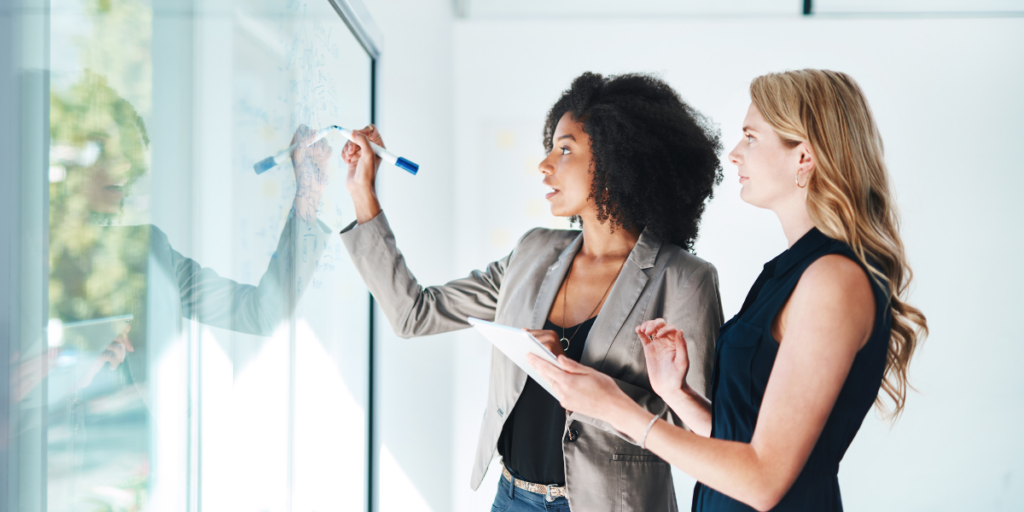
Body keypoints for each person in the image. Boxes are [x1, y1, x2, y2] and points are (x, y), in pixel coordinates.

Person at [529, 69, 929, 512]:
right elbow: (744, 438)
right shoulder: (790, 272)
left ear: (804, 158)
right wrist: (676, 394)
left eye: (751, 138)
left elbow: (762, 480)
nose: (734, 155)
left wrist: (616, 408)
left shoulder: (832, 281)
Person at [338, 72, 724, 511]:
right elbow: (414, 313)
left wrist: (588, 383)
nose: (544, 165)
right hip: (511, 498)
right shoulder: (532, 252)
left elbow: (701, 435)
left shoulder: (685, 279)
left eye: (565, 149)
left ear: (619, 160)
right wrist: (361, 193)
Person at [23, 70, 334, 510]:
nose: (126, 166)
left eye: (130, 151)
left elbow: (262, 313)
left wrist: (308, 199)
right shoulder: (19, 263)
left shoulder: (148, 253)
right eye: (106, 148)